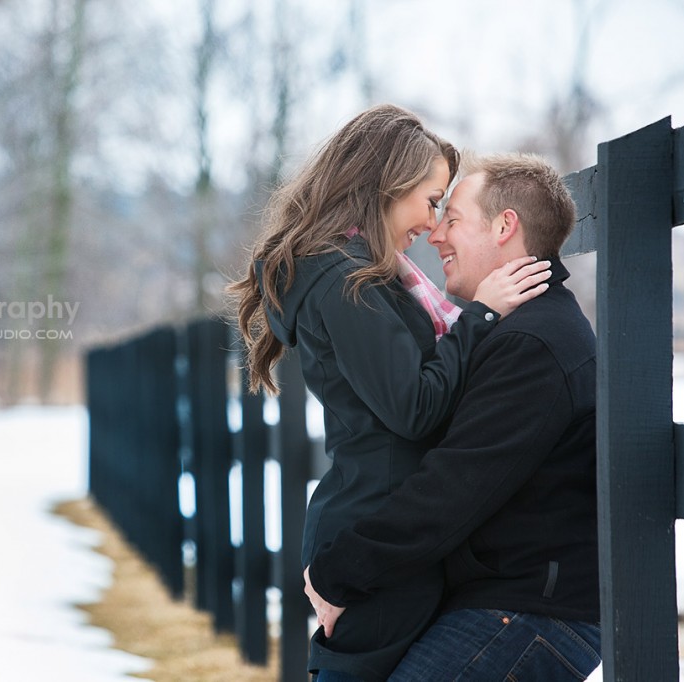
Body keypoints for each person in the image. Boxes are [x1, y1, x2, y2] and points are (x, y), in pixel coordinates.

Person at [229, 104, 551, 681]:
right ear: (385, 184)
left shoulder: (364, 274)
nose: (432, 227)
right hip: (374, 537)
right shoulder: (342, 280)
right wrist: (479, 317)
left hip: (385, 528)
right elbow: (415, 408)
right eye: (431, 201)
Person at [303, 152, 601, 681]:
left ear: (505, 226)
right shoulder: (519, 328)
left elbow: (452, 488)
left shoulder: (536, 343)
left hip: (534, 611)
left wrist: (339, 569)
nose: (435, 235)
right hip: (506, 599)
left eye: (453, 218)